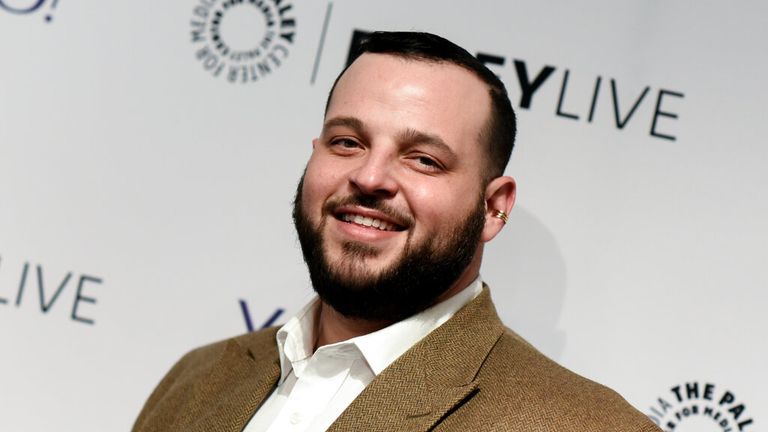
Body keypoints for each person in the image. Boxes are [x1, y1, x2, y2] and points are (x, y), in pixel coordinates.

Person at [133, 31, 660, 432]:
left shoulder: (587, 425)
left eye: (424, 159)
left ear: (494, 208)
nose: (368, 177)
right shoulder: (198, 378)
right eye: (347, 142)